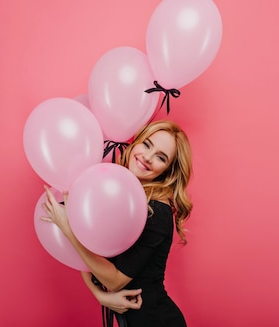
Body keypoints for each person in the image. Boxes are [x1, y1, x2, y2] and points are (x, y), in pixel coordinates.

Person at [42, 120, 193, 327]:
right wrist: (100, 295)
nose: (147, 158)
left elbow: (114, 280)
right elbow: (91, 252)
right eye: (147, 144)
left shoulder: (158, 212)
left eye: (160, 157)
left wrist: (69, 230)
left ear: (167, 171)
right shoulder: (117, 192)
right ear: (136, 143)